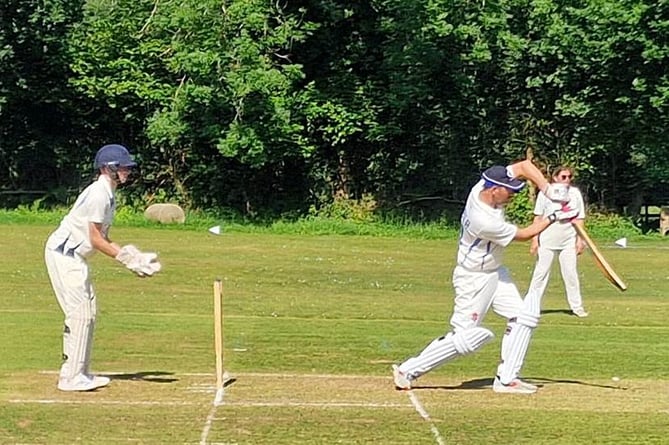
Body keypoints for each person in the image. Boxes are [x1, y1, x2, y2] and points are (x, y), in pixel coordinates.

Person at [392, 159, 577, 394]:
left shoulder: (482, 186)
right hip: (473, 279)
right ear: (494, 190)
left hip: (495, 272)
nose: (513, 195)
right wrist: (552, 218)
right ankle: (407, 370)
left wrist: (548, 191)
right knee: (465, 338)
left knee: (524, 317)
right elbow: (522, 235)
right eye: (509, 191)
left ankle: (507, 379)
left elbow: (524, 166)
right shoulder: (483, 221)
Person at [45, 144, 161, 392]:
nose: (128, 171)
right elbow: (96, 239)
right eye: (123, 167)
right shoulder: (99, 193)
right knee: (81, 314)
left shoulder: (107, 192)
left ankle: (77, 372)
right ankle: (71, 378)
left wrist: (133, 256)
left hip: (73, 256)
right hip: (65, 255)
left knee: (87, 312)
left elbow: (101, 238)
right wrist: (127, 260)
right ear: (109, 168)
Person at [526, 166, 587, 317]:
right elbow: (538, 217)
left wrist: (580, 239)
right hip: (547, 238)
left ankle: (577, 307)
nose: (567, 180)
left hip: (568, 239)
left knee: (570, 273)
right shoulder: (546, 193)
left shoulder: (575, 193)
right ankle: (531, 307)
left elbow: (579, 218)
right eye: (563, 177)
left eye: (569, 177)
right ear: (555, 178)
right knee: (541, 273)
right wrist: (535, 239)